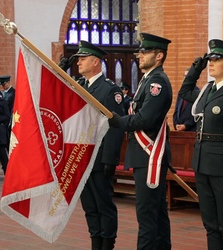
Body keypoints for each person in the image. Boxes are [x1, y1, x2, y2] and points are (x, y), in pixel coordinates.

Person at [178, 39, 223, 249]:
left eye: (217, 60)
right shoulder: (207, 91)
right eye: (210, 59)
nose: (211, 63)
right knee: (210, 224)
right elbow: (184, 92)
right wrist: (196, 68)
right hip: (202, 163)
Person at [109, 33, 172, 250]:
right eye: (141, 51)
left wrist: (118, 122)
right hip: (144, 154)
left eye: (145, 52)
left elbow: (145, 118)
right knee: (156, 211)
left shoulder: (157, 83)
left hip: (149, 155)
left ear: (159, 56)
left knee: (146, 214)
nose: (140, 55)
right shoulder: (147, 80)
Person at [74, 40, 124, 250]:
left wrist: (109, 159)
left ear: (96, 62)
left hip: (99, 156)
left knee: (104, 205)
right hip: (82, 156)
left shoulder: (109, 90)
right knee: (89, 206)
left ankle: (107, 244)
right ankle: (95, 241)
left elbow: (115, 126)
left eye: (82, 59)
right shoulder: (78, 86)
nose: (78, 63)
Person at [173, 67, 197, 131]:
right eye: (184, 76)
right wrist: (176, 124)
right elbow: (176, 111)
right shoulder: (181, 92)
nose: (185, 78)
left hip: (191, 131)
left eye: (187, 76)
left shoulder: (197, 93)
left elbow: (196, 114)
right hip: (179, 131)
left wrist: (186, 125)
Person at [0, 75, 15, 149]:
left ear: (8, 82)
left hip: (9, 119)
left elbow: (13, 108)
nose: (3, 86)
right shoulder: (2, 93)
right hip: (2, 120)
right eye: (1, 84)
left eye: (4, 84)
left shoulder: (13, 93)